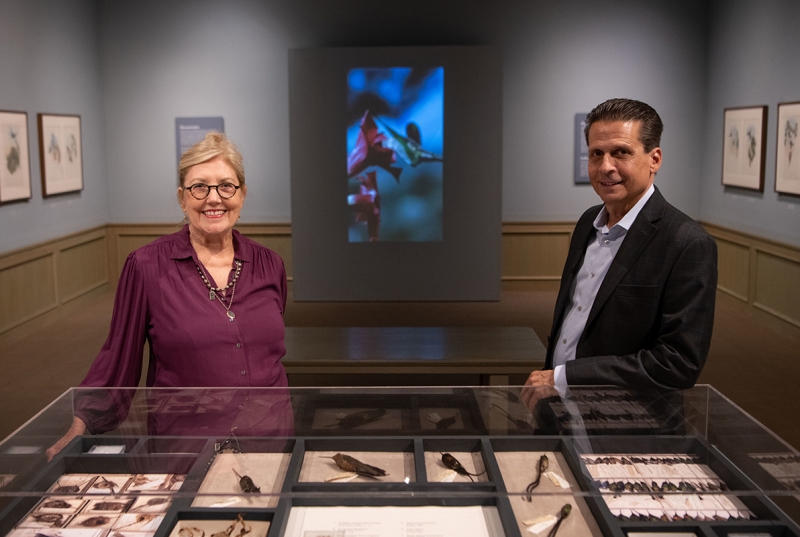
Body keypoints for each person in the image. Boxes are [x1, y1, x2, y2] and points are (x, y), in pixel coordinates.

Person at [47, 132, 290, 458]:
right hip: (187, 448)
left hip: (269, 440)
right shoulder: (146, 266)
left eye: (226, 186)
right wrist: (80, 426)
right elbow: (118, 357)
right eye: (199, 187)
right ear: (182, 198)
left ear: (242, 195)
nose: (214, 198)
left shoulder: (269, 264)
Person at [525, 98, 717, 399]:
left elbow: (678, 364)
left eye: (621, 153)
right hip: (560, 406)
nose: (605, 167)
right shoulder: (588, 221)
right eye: (596, 154)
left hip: (626, 424)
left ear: (654, 159)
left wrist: (564, 377)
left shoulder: (688, 243)